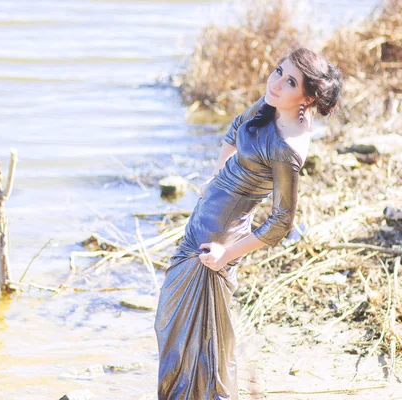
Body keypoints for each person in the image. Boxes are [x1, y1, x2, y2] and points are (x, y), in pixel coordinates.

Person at [153, 47, 344, 400]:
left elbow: (282, 222)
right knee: (175, 327)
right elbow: (237, 124)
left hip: (216, 240)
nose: (275, 82)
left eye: (290, 81)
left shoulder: (288, 149)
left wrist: (227, 253)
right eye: (278, 71)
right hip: (203, 222)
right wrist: (218, 173)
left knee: (189, 333)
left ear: (307, 97)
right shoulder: (272, 103)